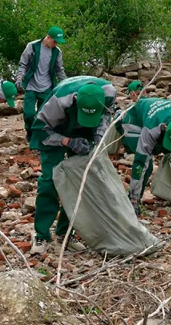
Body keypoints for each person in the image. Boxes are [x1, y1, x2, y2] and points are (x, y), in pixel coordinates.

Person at [29, 76, 117, 254]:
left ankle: (65, 234)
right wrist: (67, 141)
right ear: (76, 100)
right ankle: (42, 235)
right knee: (50, 181)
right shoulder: (57, 103)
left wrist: (99, 138)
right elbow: (40, 131)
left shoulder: (109, 94)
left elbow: (106, 115)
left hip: (86, 130)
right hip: (57, 129)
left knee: (79, 181)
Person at [116, 97, 171, 216]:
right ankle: (134, 198)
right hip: (134, 123)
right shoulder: (151, 129)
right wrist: (133, 199)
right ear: (166, 128)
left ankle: (169, 190)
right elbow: (140, 162)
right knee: (148, 166)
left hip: (160, 120)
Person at [16, 27, 68, 141]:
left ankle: (38, 137)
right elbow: (23, 64)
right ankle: (29, 131)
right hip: (31, 86)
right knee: (29, 114)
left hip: (47, 88)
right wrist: (19, 78)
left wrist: (66, 84)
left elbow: (59, 70)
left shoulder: (57, 52)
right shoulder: (32, 46)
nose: (55, 44)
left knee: (42, 115)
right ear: (48, 37)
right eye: (54, 41)